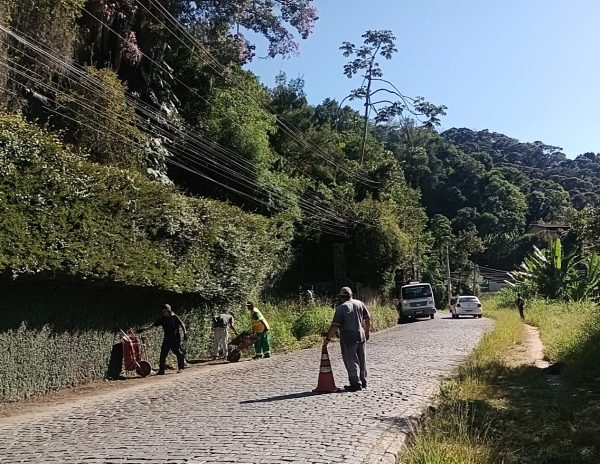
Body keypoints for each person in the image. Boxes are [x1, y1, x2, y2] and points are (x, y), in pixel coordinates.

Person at [323, 286, 371, 392]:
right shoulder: (359, 303)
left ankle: (355, 383)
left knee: (351, 360)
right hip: (361, 335)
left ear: (341, 297)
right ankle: (363, 381)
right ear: (351, 295)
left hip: (348, 338)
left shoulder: (341, 308)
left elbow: (334, 326)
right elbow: (368, 318)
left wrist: (327, 339)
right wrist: (367, 332)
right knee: (362, 359)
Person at [139, 303, 187, 375]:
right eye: (163, 311)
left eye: (164, 311)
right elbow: (152, 326)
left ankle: (181, 368)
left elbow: (182, 324)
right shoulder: (162, 319)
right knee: (163, 355)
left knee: (178, 353)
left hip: (175, 339)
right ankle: (161, 371)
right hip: (167, 339)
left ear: (168, 310)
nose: (163, 312)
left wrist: (185, 333)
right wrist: (143, 330)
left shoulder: (175, 317)